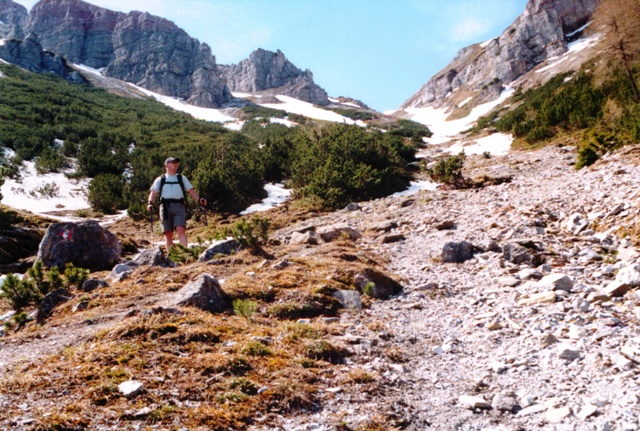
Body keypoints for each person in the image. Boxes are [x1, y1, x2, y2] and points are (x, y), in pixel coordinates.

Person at [147, 157, 207, 251]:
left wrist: (199, 200)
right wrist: (150, 203)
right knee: (168, 233)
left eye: (177, 163)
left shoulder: (181, 178)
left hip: (179, 206)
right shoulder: (160, 179)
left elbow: (191, 191)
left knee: (181, 229)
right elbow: (153, 193)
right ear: (166, 165)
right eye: (173, 163)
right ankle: (171, 256)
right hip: (165, 207)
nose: (176, 165)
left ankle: (184, 254)